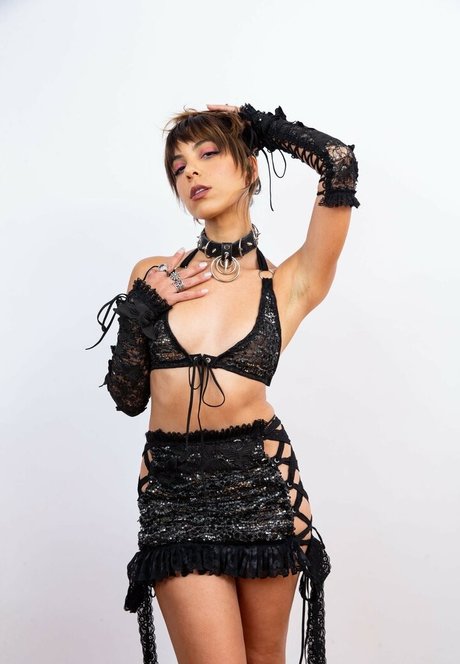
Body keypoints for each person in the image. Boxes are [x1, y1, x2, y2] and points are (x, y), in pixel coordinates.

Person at [86, 102, 360, 664]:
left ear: (249, 167)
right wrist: (142, 309)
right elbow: (128, 398)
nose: (190, 170)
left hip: (263, 484)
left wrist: (260, 126)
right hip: (175, 492)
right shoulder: (155, 273)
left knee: (264, 659)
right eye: (178, 166)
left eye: (209, 154)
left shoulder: (288, 282)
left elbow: (338, 163)